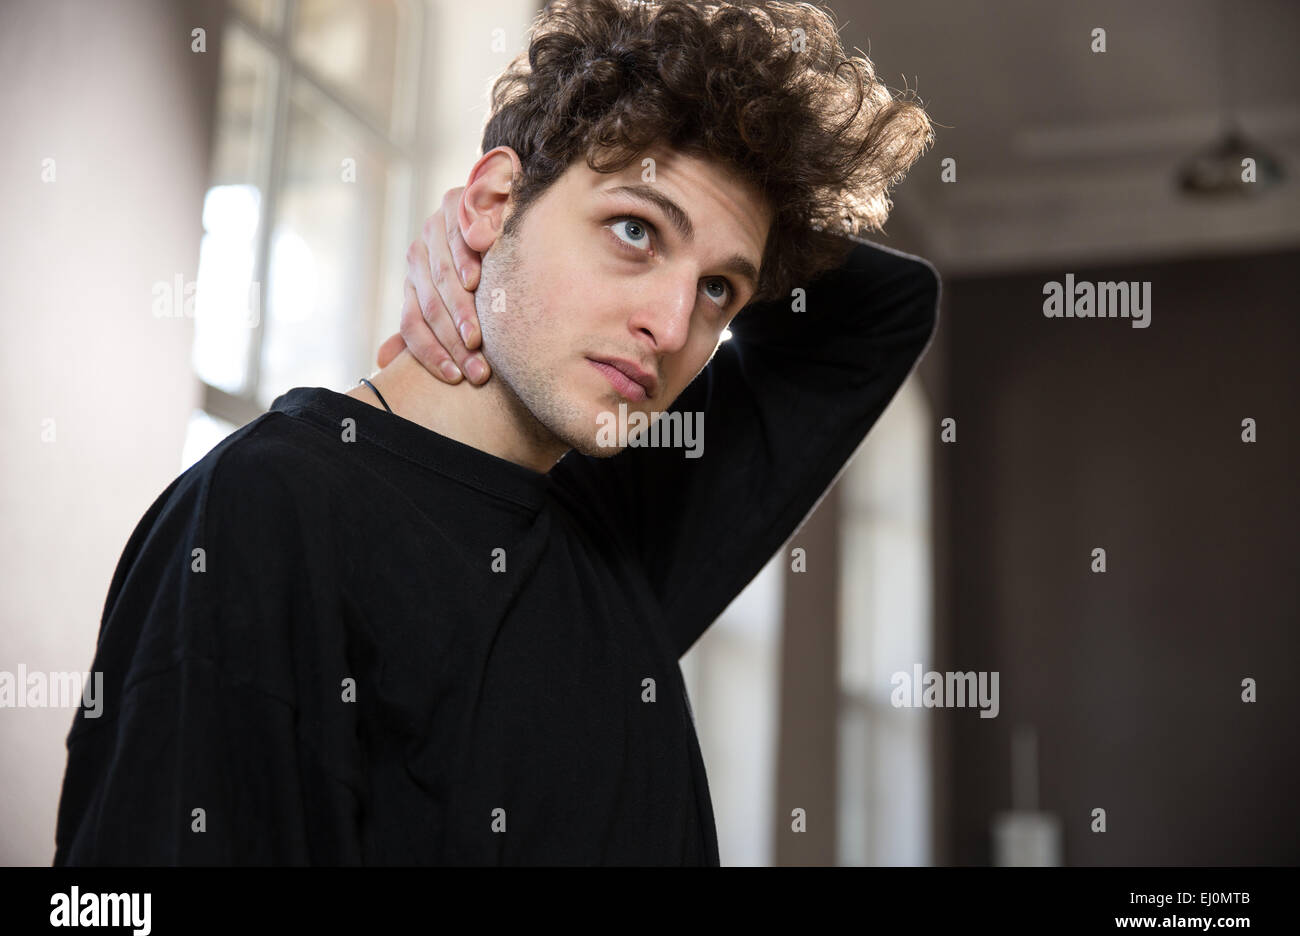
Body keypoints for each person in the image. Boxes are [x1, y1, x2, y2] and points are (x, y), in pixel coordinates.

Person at [53, 0, 938, 865]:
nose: (672, 329)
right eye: (635, 230)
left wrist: (515, 233)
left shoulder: (615, 522)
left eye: (719, 291)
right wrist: (497, 229)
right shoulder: (265, 511)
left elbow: (884, 310)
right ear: (489, 200)